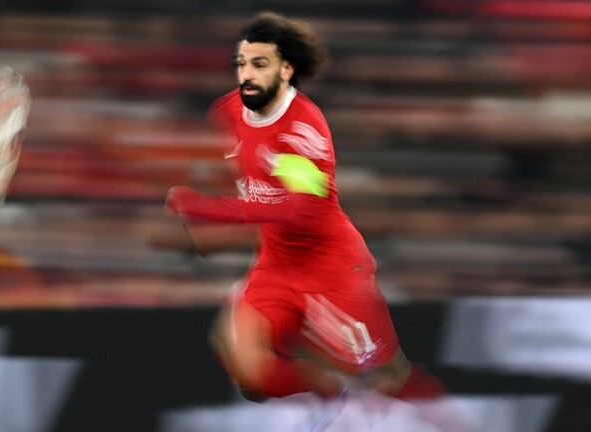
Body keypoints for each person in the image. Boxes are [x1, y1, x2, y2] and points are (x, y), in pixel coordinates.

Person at [166, 10, 455, 415]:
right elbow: (250, 179)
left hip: (330, 267)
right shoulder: (228, 112)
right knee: (247, 370)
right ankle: (326, 387)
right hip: (276, 265)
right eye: (241, 63)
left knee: (387, 377)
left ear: (287, 69)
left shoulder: (301, 129)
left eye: (259, 64)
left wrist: (210, 209)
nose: (246, 74)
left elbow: (299, 208)